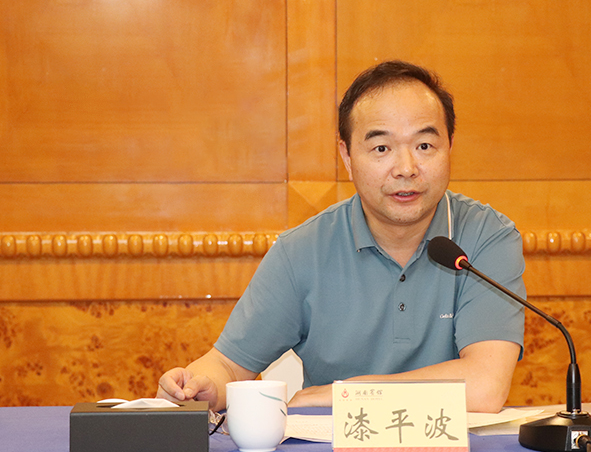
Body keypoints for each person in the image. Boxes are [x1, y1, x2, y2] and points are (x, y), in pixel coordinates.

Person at [157, 60, 525, 413]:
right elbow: (227, 365)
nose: (406, 169)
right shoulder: (301, 251)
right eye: (381, 148)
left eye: (424, 146)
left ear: (450, 146)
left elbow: (484, 386)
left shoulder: (487, 237)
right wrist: (198, 386)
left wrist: (343, 395)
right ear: (346, 156)